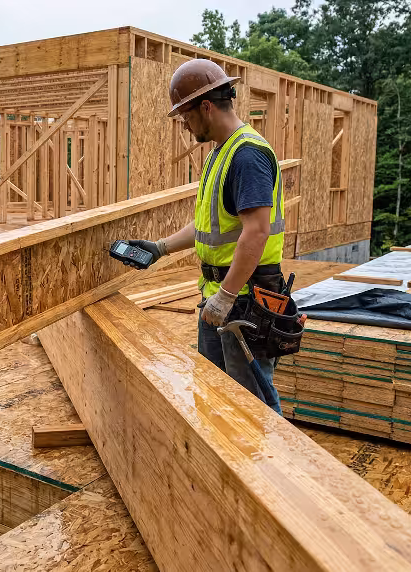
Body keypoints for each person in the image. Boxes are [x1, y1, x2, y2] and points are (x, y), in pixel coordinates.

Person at [120, 59, 287, 404]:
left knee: (249, 408)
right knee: (213, 400)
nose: (184, 125)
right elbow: (209, 226)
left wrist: (226, 296)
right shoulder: (218, 155)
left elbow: (256, 232)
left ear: (207, 107)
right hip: (220, 295)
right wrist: (160, 247)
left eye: (186, 115)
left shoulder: (247, 156)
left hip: (245, 299)